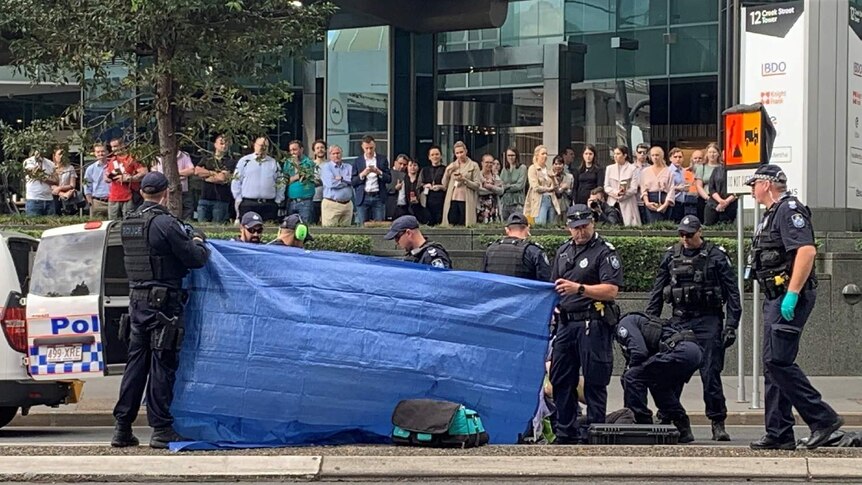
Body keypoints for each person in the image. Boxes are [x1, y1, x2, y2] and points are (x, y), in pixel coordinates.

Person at [746, 164, 844, 450]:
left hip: (789, 297)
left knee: (778, 361)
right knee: (772, 363)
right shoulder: (771, 215)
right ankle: (778, 433)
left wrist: (792, 294)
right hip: (774, 297)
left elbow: (807, 250)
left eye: (755, 183)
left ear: (767, 184)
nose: (752, 188)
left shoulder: (789, 210)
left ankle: (823, 419)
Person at [112, 172, 209, 449]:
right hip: (163, 303)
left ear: (142, 192)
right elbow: (195, 259)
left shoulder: (127, 223)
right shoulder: (165, 223)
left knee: (135, 364)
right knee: (162, 363)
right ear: (165, 193)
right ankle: (161, 428)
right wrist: (198, 240)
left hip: (137, 301)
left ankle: (122, 428)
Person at [645, 215, 741, 441]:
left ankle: (717, 422)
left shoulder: (716, 256)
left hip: (708, 321)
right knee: (673, 371)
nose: (685, 239)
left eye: (689, 234)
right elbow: (658, 292)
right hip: (680, 320)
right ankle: (669, 416)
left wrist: (731, 326)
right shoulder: (671, 255)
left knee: (710, 373)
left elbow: (733, 294)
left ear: (700, 232)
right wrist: (650, 322)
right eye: (682, 234)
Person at [550, 204, 623, 443]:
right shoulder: (563, 252)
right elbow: (554, 287)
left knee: (594, 380)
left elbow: (611, 290)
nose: (580, 232)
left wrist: (579, 289)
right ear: (568, 228)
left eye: (584, 226)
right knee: (560, 378)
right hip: (566, 324)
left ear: (593, 223)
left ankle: (595, 431)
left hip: (593, 323)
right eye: (575, 228)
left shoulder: (604, 252)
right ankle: (565, 431)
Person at [615, 313, 702, 443]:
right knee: (659, 385)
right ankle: (682, 427)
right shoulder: (638, 320)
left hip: (679, 350)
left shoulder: (624, 324)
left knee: (632, 377)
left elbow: (639, 352)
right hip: (693, 352)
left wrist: (629, 370)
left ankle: (641, 423)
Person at [482, 212, 551, 281]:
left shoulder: (490, 249)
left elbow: (484, 279)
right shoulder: (533, 251)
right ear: (528, 229)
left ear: (507, 230)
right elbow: (546, 281)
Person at [384, 215, 452, 269]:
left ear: (408, 233)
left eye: (397, 238)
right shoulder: (413, 255)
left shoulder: (432, 256)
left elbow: (442, 281)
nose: (397, 242)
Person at [351, 135, 391, 225]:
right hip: (363, 196)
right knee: (362, 225)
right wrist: (363, 174)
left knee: (379, 225)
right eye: (367, 148)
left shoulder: (382, 159)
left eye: (371, 148)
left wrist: (379, 172)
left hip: (378, 197)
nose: (369, 151)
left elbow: (389, 179)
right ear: (362, 147)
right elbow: (353, 182)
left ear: (375, 146)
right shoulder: (358, 161)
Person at [604, 145, 640, 226]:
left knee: (629, 225)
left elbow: (634, 188)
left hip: (628, 202)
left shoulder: (632, 168)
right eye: (614, 154)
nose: (615, 156)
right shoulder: (609, 168)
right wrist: (616, 193)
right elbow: (606, 187)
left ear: (625, 155)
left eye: (618, 154)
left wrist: (623, 194)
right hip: (612, 202)